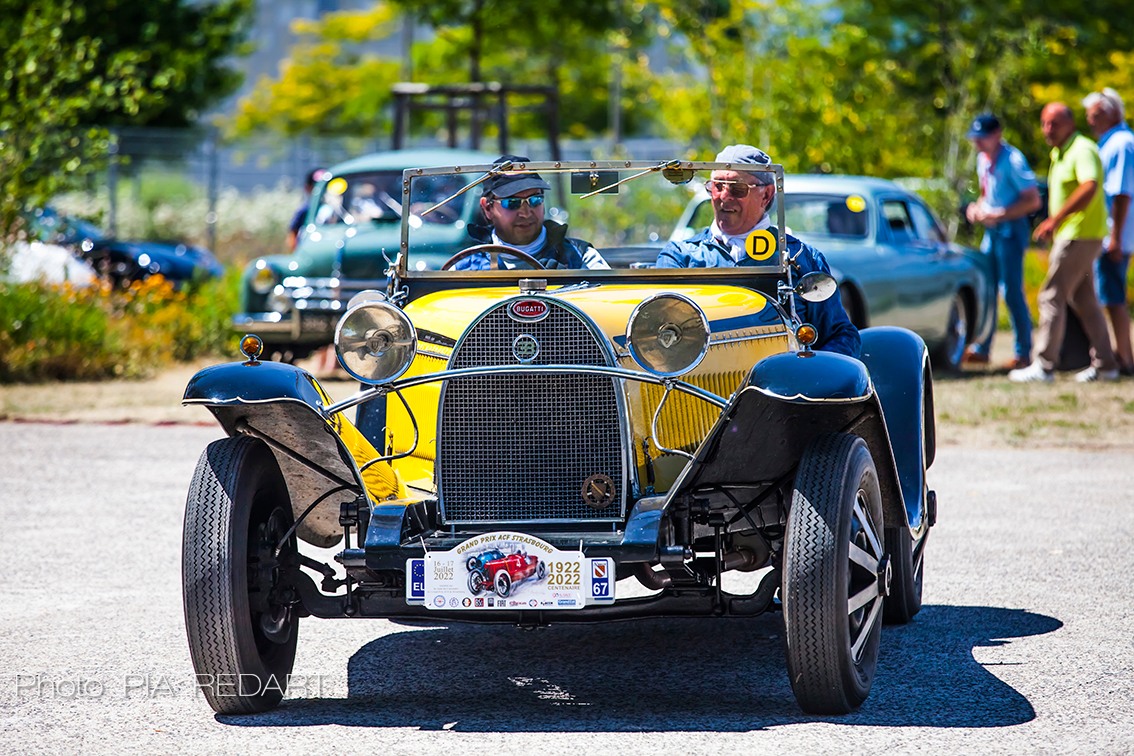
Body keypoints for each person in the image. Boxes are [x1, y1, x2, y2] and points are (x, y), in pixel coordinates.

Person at [655, 144, 860, 357]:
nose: (724, 197)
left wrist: (810, 371)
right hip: (701, 386)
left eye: (737, 188)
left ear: (766, 195)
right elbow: (657, 335)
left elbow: (841, 335)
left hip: (782, 383)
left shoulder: (800, 257)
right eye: (717, 186)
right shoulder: (680, 257)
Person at [1010, 103, 1120, 383]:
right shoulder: (1061, 152)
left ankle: (1044, 364)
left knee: (1051, 295)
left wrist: (1055, 220)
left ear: (1070, 123)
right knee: (1083, 299)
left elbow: (1090, 185)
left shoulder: (1082, 149)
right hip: (1078, 233)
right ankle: (1107, 365)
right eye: (1045, 123)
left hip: (1078, 233)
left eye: (1055, 123)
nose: (1048, 129)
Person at [962, 113, 1043, 370]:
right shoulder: (983, 159)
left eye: (983, 138)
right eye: (975, 138)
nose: (978, 143)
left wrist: (1000, 214)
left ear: (997, 134)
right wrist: (976, 208)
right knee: (987, 288)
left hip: (1011, 230)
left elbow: (1032, 200)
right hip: (992, 231)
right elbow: (987, 194)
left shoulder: (1013, 160)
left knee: (1011, 290)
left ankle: (1023, 352)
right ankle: (983, 347)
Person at [456, 155, 610, 270]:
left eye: (535, 200)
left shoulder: (580, 257)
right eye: (512, 202)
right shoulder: (466, 265)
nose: (525, 213)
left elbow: (607, 303)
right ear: (487, 208)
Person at [1083, 88, 1134, 375]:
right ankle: (1122, 354)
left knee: (1113, 298)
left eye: (1095, 115)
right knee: (1109, 296)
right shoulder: (1110, 142)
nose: (1091, 121)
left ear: (1112, 112)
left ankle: (1125, 358)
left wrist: (1114, 237)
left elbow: (1122, 193)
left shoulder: (1121, 143)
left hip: (1115, 236)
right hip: (1111, 234)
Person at [288, 167, 327, 251]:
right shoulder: (305, 211)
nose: (322, 190)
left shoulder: (336, 210)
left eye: (325, 186)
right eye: (316, 186)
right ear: (307, 188)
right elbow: (293, 234)